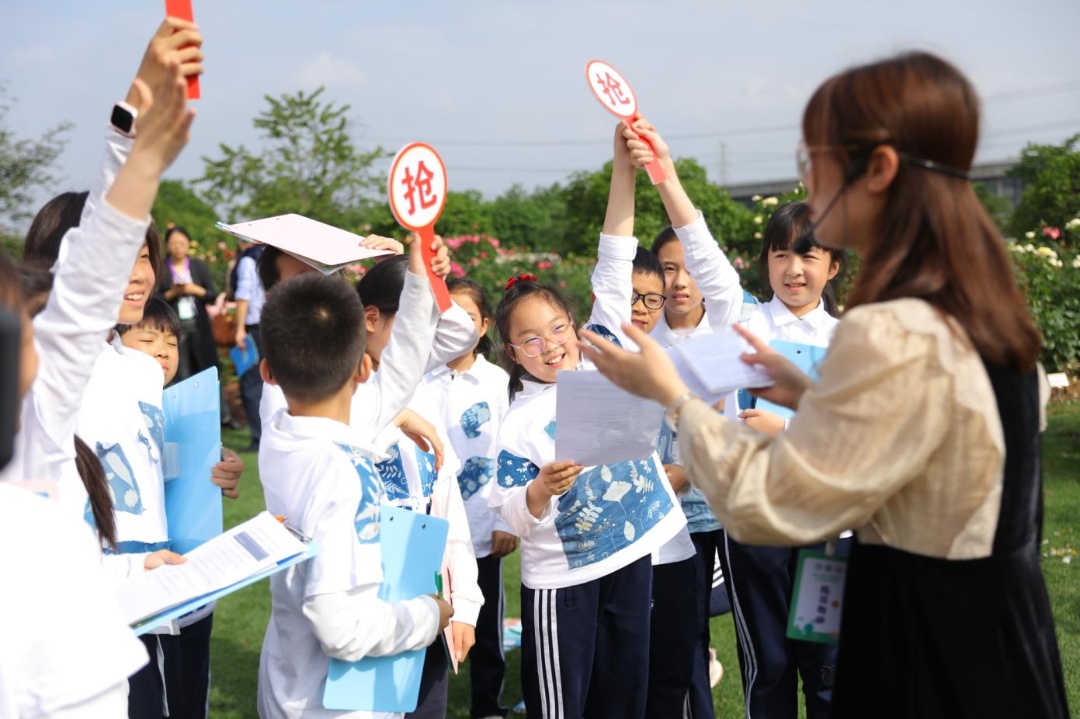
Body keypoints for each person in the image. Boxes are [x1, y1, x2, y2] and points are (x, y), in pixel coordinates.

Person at [580, 51, 1070, 718]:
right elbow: (923, 440)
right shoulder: (979, 315)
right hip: (1004, 650)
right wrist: (810, 394)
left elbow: (774, 503)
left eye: (813, 160)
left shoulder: (887, 329)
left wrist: (675, 396)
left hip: (926, 660)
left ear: (881, 170)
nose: (806, 182)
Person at [489, 123, 685, 719]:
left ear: (575, 324)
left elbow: (616, 252)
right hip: (563, 581)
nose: (549, 345)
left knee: (625, 698)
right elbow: (510, 512)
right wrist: (540, 489)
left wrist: (624, 167)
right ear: (512, 352)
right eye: (529, 340)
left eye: (556, 328)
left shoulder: (603, 349)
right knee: (562, 706)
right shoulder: (515, 419)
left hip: (630, 557)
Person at [256, 271, 454, 719]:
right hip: (337, 705)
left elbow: (401, 369)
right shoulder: (343, 473)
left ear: (267, 373)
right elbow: (340, 630)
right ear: (364, 369)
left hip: (286, 683)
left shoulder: (281, 436)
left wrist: (419, 275)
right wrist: (428, 616)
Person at [357, 258, 484, 719]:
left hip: (430, 599)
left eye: (428, 323)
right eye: (412, 321)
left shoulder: (420, 390)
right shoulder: (340, 392)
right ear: (370, 318)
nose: (423, 337)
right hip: (369, 602)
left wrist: (464, 603)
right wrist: (397, 419)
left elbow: (448, 511)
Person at [424, 277, 515, 719]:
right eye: (446, 317)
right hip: (431, 526)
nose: (454, 326)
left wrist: (505, 520)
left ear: (484, 326)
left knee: (486, 627)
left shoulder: (497, 382)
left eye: (466, 317)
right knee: (429, 618)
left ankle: (487, 706)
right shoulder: (421, 378)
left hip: (481, 527)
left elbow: (509, 452)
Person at [158, 225, 218, 384]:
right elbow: (155, 299)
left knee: (205, 368)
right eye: (174, 243)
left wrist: (194, 290)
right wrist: (173, 293)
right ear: (167, 245)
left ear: (189, 244)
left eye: (182, 243)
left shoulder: (198, 266)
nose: (178, 247)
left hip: (199, 325)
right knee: (181, 373)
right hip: (175, 326)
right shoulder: (161, 268)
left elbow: (212, 295)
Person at [234, 239, 266, 452]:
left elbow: (243, 295)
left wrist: (239, 329)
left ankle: (258, 437)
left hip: (255, 327)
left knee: (251, 384)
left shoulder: (248, 260)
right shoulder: (270, 257)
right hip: (273, 324)